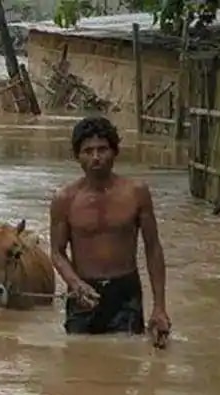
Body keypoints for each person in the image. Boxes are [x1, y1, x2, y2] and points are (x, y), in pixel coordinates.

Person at [49, 116, 170, 342]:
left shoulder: (136, 192)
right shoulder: (64, 199)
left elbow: (153, 249)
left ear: (115, 152)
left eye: (102, 149)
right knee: (77, 362)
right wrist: (75, 284)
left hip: (125, 292)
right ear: (77, 156)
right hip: (82, 291)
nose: (96, 157)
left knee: (126, 362)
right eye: (88, 151)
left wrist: (160, 308)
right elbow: (57, 252)